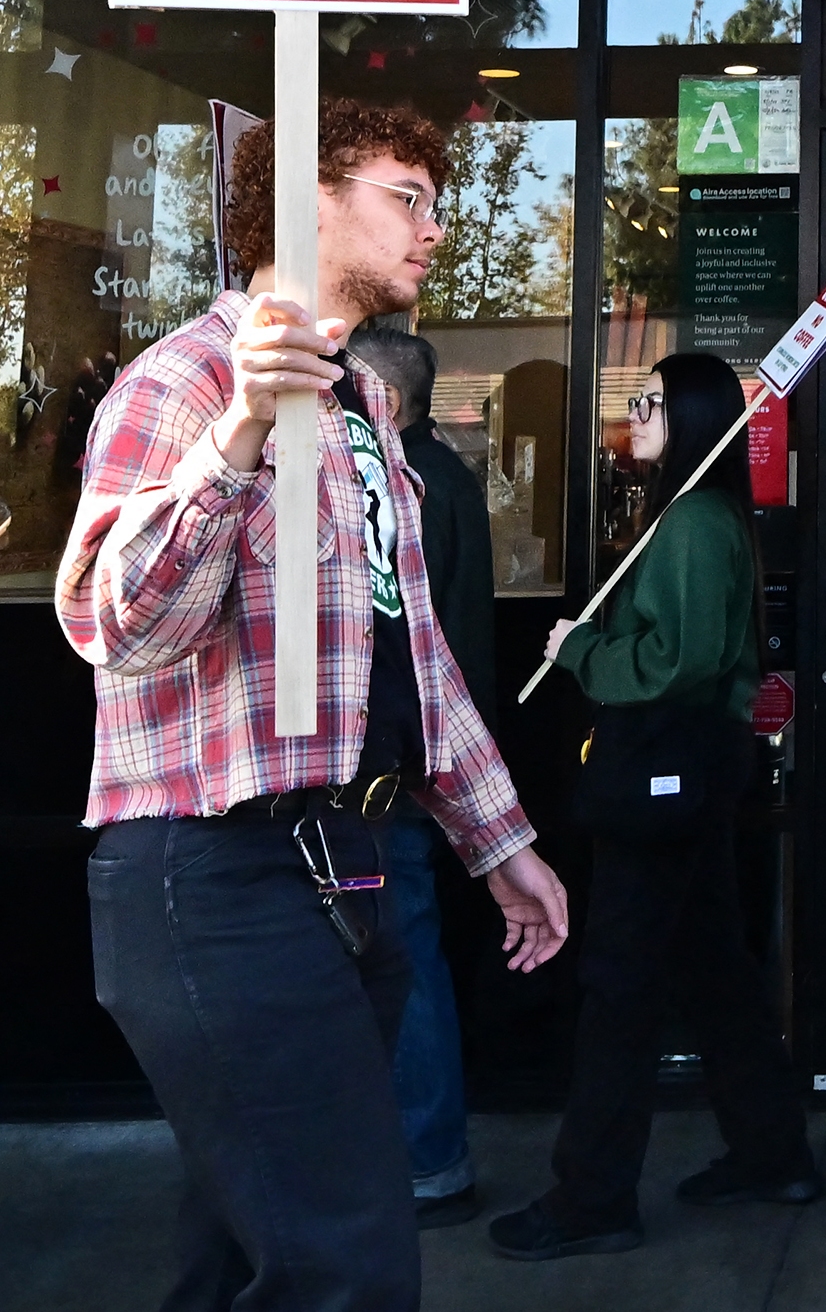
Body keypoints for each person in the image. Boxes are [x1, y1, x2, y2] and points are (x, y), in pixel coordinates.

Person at [60, 100, 570, 1312]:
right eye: (409, 195)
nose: (435, 229)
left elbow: (416, 656)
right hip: (211, 869)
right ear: (308, 201)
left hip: (345, 862)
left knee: (252, 1249)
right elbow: (116, 626)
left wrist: (501, 842)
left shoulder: (365, 407)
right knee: (345, 1259)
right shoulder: (179, 379)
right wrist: (234, 439)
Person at [494, 351, 816, 1260]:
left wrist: (583, 650)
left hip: (662, 775)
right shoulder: (695, 518)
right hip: (694, 779)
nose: (633, 414)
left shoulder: (687, 525)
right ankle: (771, 1152)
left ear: (694, 418)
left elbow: (676, 664)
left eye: (652, 402)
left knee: (619, 989)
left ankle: (592, 1197)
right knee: (714, 972)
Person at [344, 320, 493, 1226]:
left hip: (388, 761)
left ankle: (429, 1157)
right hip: (429, 753)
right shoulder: (451, 479)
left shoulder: (393, 484)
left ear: (384, 401)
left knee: (400, 951)